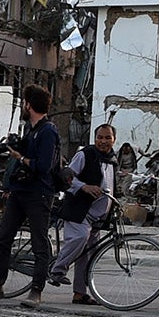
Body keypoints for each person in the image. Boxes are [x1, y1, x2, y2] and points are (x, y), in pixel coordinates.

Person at [0, 85, 60, 305]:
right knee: (4, 236)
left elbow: (44, 166)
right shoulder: (31, 129)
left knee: (39, 242)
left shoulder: (48, 131)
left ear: (29, 104)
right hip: (20, 191)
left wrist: (20, 157)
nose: (23, 107)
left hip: (39, 193)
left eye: (25, 103)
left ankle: (36, 291)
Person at [50, 124, 114, 303]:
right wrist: (84, 186)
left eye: (107, 138)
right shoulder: (85, 155)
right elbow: (67, 176)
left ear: (114, 140)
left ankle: (80, 293)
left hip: (97, 217)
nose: (103, 141)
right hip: (79, 212)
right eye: (100, 137)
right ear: (95, 139)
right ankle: (57, 270)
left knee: (87, 255)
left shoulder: (111, 160)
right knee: (79, 238)